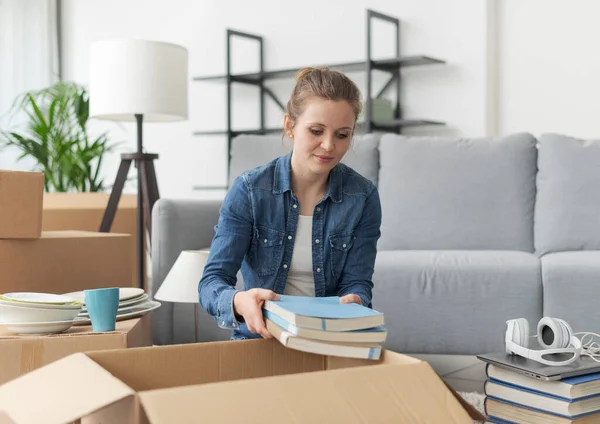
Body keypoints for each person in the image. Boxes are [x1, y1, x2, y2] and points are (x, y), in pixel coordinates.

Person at [198, 66, 382, 340]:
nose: (329, 145)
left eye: (342, 135)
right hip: (261, 339)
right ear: (290, 126)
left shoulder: (363, 197)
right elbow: (212, 281)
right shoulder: (249, 190)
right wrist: (239, 301)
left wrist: (356, 301)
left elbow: (358, 282)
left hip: (329, 340)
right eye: (316, 130)